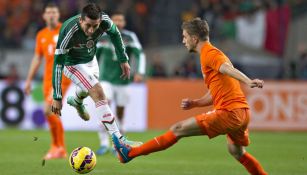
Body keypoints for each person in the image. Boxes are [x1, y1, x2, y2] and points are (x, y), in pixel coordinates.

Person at [112, 18, 268, 175]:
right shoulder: (210, 54)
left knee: (178, 129)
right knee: (237, 152)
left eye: (185, 36)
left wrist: (248, 81)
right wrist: (196, 103)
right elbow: (215, 91)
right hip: (242, 112)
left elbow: (226, 68)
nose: (183, 40)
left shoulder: (209, 53)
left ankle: (130, 153)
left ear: (194, 39)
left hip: (230, 113)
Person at [51, 3, 140, 146]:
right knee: (98, 92)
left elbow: (115, 34)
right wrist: (57, 95)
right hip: (72, 64)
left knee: (88, 88)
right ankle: (119, 141)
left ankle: (77, 101)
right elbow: (58, 64)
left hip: (91, 60)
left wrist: (123, 59)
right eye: (88, 26)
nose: (92, 30)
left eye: (95, 26)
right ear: (81, 20)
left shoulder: (104, 21)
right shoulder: (69, 31)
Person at [24, 3, 71, 160]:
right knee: (52, 113)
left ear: (58, 15)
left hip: (62, 77)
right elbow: (37, 57)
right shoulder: (41, 35)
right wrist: (29, 80)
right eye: (49, 12)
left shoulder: (64, 31)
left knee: (48, 110)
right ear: (44, 16)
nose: (51, 14)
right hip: (47, 80)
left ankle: (59, 147)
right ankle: (57, 148)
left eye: (54, 12)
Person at [95, 11, 146, 155]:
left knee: (120, 113)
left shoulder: (130, 37)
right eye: (115, 20)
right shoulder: (103, 36)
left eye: (120, 20)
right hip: (105, 79)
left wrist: (140, 72)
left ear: (124, 23)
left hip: (123, 80)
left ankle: (117, 144)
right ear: (111, 21)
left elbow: (139, 54)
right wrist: (91, 73)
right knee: (105, 107)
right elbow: (94, 56)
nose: (118, 22)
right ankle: (104, 143)